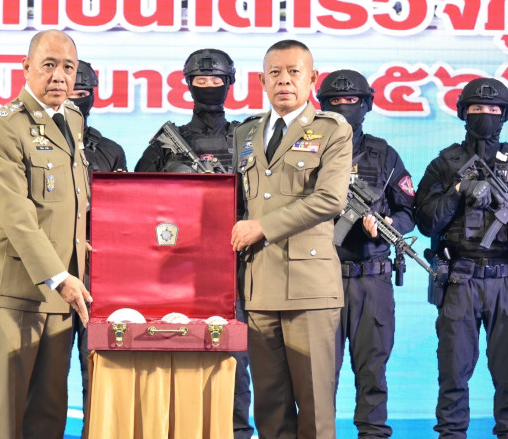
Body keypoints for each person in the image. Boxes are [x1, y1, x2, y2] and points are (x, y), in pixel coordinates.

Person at [230, 40, 352, 439]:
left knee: (315, 410)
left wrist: (263, 227)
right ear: (261, 80)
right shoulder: (245, 133)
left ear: (312, 78)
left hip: (309, 289)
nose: (284, 80)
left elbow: (330, 199)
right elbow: (237, 203)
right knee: (270, 409)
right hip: (259, 286)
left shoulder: (332, 129)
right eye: (275, 73)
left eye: (294, 72)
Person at [0, 29, 91, 439]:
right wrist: (59, 276)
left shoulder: (72, 119)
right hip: (16, 291)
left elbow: (71, 203)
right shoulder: (4, 127)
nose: (59, 76)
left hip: (62, 291)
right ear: (26, 68)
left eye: (68, 67)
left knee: (49, 411)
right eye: (49, 65)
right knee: (5, 414)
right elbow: (16, 214)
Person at [414, 77, 508, 439]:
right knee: (453, 373)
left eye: (493, 109)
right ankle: (452, 433)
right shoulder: (445, 164)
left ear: (505, 115)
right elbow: (425, 221)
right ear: (463, 113)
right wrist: (459, 190)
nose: (485, 115)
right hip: (461, 279)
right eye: (477, 108)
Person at [135, 48, 254, 439]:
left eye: (215, 80)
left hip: (234, 265)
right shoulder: (169, 141)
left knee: (234, 358)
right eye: (200, 80)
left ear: (229, 84)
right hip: (178, 265)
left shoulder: (247, 139)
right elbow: (139, 197)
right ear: (188, 85)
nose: (208, 87)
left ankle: (237, 431)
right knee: (178, 349)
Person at [316, 69, 415, 439]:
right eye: (335, 101)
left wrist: (389, 223)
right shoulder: (307, 152)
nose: (344, 107)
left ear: (366, 104)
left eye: (351, 100)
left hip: (371, 278)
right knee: (318, 373)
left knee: (373, 369)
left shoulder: (383, 154)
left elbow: (408, 211)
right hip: (320, 277)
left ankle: (372, 433)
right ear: (323, 106)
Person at [67, 59, 126, 421]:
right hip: (52, 269)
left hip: (99, 272)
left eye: (82, 92)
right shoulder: (31, 144)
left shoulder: (110, 150)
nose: (76, 99)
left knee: (98, 367)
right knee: (47, 371)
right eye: (70, 92)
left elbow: (126, 215)